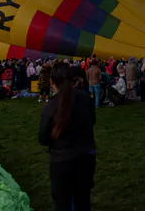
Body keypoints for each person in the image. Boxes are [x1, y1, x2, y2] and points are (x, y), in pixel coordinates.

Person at [39, 62, 97, 211]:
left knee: (62, 203)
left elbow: (43, 139)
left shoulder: (50, 107)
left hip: (61, 161)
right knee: (83, 200)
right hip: (86, 157)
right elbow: (93, 121)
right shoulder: (85, 98)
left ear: (52, 82)